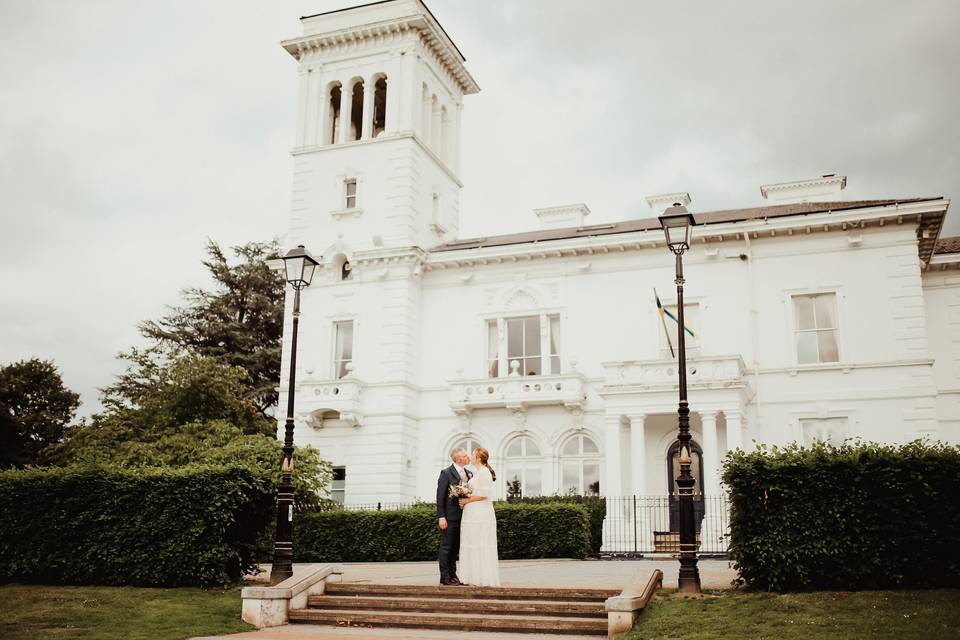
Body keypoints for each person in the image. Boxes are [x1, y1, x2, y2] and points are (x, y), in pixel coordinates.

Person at [457, 448, 501, 586]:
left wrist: (466, 501)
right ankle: (472, 576)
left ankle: (482, 577)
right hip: (472, 514)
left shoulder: (484, 472)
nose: (470, 456)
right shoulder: (476, 473)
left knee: (480, 543)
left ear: (478, 458)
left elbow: (484, 495)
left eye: (473, 454)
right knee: (472, 543)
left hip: (480, 513)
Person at [436, 447, 472, 585]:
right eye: (464, 455)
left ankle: (453, 575)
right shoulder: (446, 473)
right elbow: (440, 497)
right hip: (449, 517)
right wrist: (441, 516)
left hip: (465, 516)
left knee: (456, 547)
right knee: (447, 547)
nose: (467, 457)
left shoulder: (469, 473)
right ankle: (444, 577)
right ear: (457, 458)